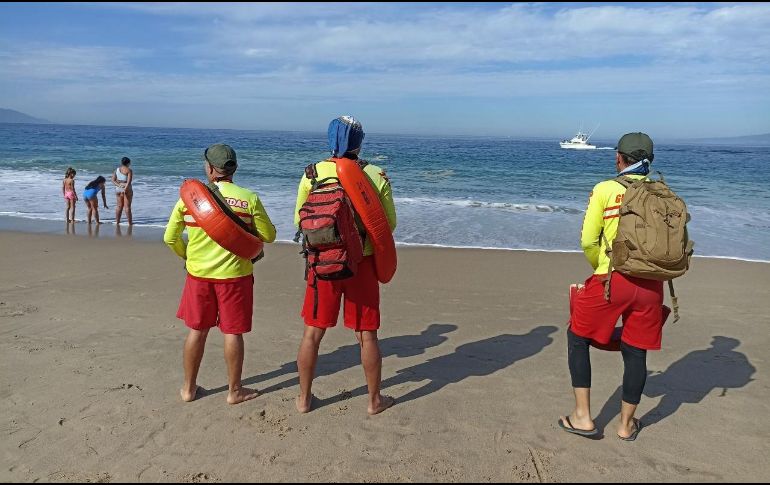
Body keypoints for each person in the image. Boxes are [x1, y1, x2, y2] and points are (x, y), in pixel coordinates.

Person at [559, 132, 668, 441]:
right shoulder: (662, 193)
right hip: (652, 286)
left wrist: (600, 269)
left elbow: (587, 240)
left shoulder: (605, 189)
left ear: (619, 158)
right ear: (651, 161)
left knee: (577, 335)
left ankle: (582, 417)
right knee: (636, 350)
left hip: (613, 279)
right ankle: (626, 425)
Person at [293, 116, 397, 415]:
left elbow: (298, 221)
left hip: (321, 263)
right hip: (360, 265)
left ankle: (303, 399)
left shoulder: (311, 174)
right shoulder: (376, 175)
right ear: (359, 142)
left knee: (312, 334)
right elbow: (388, 224)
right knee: (367, 335)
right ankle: (374, 400)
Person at [163, 143, 276, 405]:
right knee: (232, 333)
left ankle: (188, 389)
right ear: (233, 168)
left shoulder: (188, 199)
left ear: (210, 169)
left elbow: (170, 238)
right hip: (235, 277)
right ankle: (234, 392)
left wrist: (187, 255)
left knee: (197, 331)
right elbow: (269, 236)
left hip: (198, 276)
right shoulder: (249, 198)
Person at [112, 156, 133, 225]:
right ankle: (130, 223)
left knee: (119, 206)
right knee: (127, 207)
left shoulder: (117, 170)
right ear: (128, 163)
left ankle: (117, 222)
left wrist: (119, 186)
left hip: (118, 188)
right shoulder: (129, 170)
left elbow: (113, 180)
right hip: (126, 188)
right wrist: (125, 189)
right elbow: (129, 181)